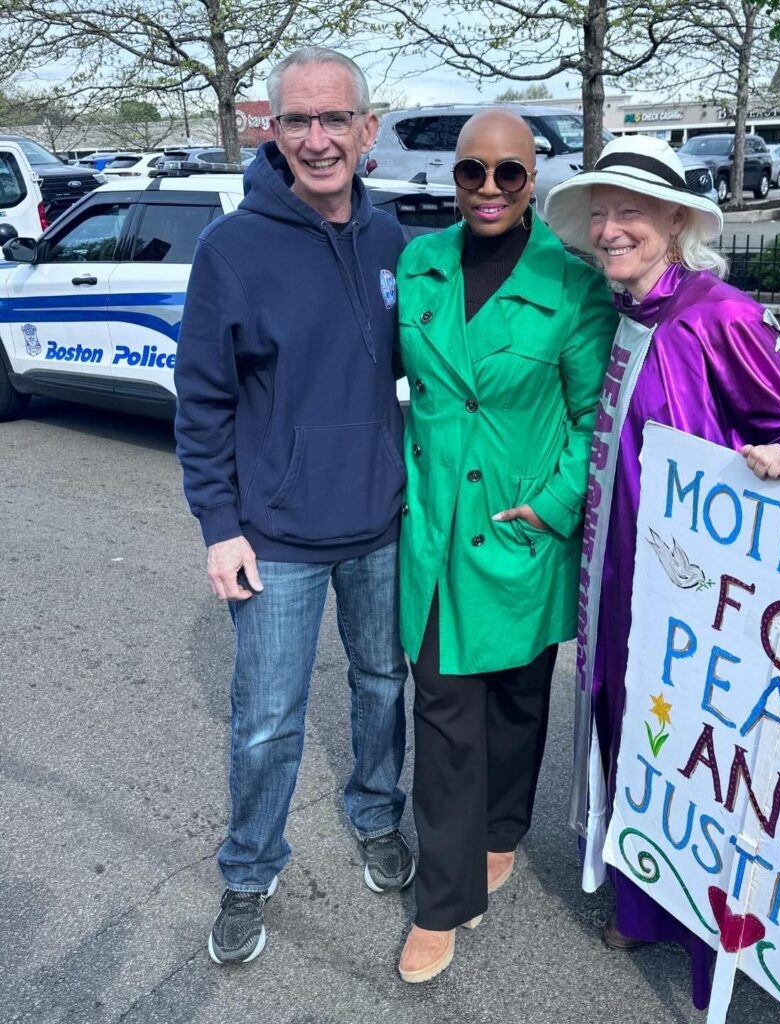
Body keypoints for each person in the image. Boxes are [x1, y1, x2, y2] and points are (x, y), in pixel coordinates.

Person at [544, 135, 780, 1009]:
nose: (610, 229)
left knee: (703, 759)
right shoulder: (622, 314)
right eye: (600, 212)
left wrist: (779, 461)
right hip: (618, 584)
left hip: (702, 602)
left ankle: (711, 941)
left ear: (677, 221)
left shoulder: (722, 315)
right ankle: (643, 904)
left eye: (629, 211)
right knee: (630, 734)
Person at [174, 46, 413, 967]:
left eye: (334, 119)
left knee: (383, 684)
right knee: (268, 716)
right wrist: (219, 526)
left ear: (367, 127)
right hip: (273, 536)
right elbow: (202, 401)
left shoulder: (394, 240)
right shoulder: (231, 250)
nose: (317, 139)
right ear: (270, 128)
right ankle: (248, 867)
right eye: (296, 120)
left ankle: (376, 813)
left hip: (381, 526)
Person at [394, 108, 618, 984]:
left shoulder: (572, 282)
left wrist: (556, 506)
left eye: (509, 174)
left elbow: (591, 412)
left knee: (519, 700)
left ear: (536, 179)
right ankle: (445, 902)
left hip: (523, 532)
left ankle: (502, 829)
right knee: (445, 710)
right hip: (437, 534)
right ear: (452, 177)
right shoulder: (417, 263)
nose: (488, 190)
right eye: (471, 173)